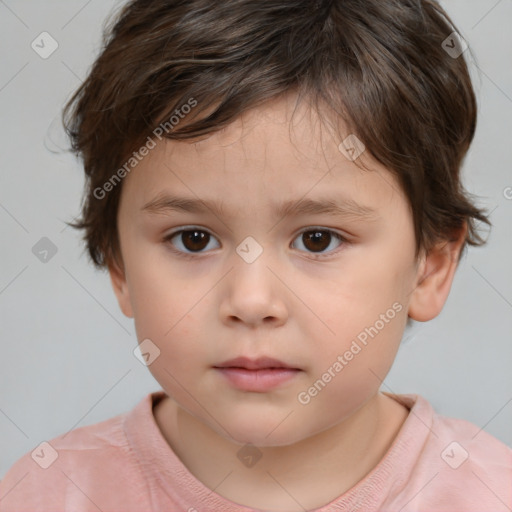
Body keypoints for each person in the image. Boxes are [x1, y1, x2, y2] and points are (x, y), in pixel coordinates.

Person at [1, 0, 510, 510]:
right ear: (119, 265)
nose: (250, 300)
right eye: (193, 239)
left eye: (317, 239)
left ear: (432, 266)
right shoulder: (48, 493)